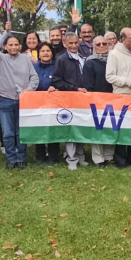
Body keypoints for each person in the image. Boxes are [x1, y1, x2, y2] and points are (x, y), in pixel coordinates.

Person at [0, 21, 39, 168]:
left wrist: (29, 89)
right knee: (8, 132)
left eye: (16, 44)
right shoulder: (0, 58)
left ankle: (21, 157)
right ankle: (11, 158)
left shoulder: (26, 59)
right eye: (10, 45)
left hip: (23, 100)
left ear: (20, 46)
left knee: (20, 131)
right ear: (5, 46)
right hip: (4, 100)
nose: (13, 47)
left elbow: (34, 77)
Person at [105, 27, 131, 168]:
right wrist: (126, 81)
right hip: (122, 97)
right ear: (123, 39)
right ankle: (120, 160)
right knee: (121, 129)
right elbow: (109, 76)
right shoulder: (114, 54)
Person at [52, 32, 89, 170]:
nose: (74, 46)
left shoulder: (83, 57)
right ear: (65, 44)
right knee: (70, 129)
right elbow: (56, 80)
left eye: (76, 42)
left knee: (81, 128)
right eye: (71, 43)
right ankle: (71, 159)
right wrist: (74, 88)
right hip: (69, 99)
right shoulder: (61, 60)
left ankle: (80, 156)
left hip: (82, 99)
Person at [83, 36, 115, 167]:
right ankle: (98, 158)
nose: (102, 46)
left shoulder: (113, 60)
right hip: (96, 100)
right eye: (98, 44)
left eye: (104, 43)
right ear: (93, 47)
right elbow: (88, 84)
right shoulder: (90, 62)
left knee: (111, 127)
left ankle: (109, 155)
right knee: (97, 129)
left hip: (113, 100)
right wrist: (92, 99)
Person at [32, 42, 59, 165]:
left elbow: (61, 80)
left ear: (52, 53)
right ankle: (40, 156)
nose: (45, 53)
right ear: (38, 54)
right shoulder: (33, 67)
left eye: (48, 51)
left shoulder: (57, 66)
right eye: (43, 51)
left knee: (53, 129)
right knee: (39, 129)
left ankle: (53, 156)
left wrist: (55, 87)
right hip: (37, 103)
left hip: (54, 102)